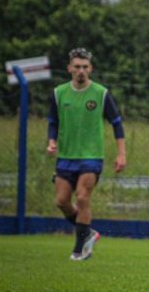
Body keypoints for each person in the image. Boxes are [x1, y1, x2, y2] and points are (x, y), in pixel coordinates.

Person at [47, 47, 126, 261]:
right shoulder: (59, 93)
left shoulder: (101, 93)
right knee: (62, 201)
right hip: (66, 156)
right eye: (77, 67)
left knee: (82, 198)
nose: (81, 70)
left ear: (90, 69)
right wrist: (52, 141)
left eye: (85, 67)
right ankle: (88, 232)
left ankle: (80, 248)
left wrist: (121, 154)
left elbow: (117, 124)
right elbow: (53, 122)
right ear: (69, 68)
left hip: (91, 156)